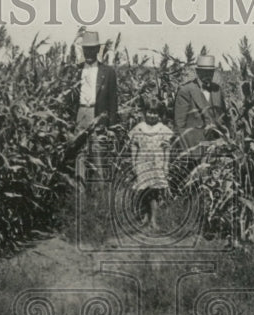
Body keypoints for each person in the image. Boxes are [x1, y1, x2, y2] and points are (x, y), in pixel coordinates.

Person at [72, 30, 119, 182]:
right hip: (81, 114)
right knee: (80, 154)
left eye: (92, 49)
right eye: (86, 49)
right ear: (83, 50)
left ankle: (99, 196)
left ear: (98, 49)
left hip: (98, 114)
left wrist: (111, 127)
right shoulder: (76, 70)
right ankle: (80, 192)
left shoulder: (108, 72)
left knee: (98, 153)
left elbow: (113, 101)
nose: (89, 52)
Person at [127, 97, 174, 230]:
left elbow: (167, 149)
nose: (152, 115)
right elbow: (134, 146)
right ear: (144, 112)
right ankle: (144, 217)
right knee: (143, 192)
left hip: (156, 165)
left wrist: (165, 165)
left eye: (155, 113)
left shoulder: (162, 129)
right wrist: (133, 162)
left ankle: (153, 219)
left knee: (154, 193)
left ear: (159, 115)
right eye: (150, 112)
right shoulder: (140, 128)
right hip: (143, 164)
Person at [173, 54, 227, 158]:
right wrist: (188, 151)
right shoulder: (186, 90)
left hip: (216, 146)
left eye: (210, 71)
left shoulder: (217, 90)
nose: (208, 74)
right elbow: (179, 125)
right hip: (194, 148)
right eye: (204, 71)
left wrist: (222, 141)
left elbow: (223, 117)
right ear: (197, 72)